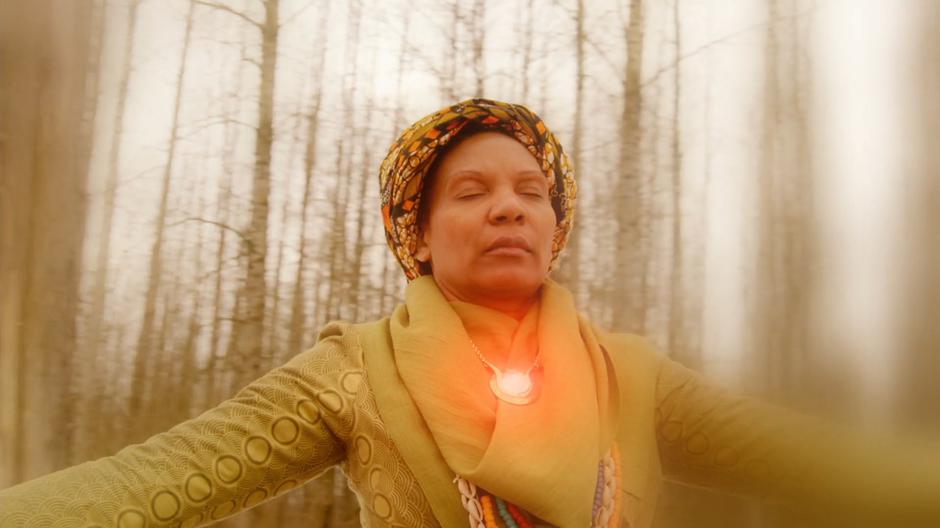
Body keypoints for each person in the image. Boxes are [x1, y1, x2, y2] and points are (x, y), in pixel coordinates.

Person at [1, 98, 939, 528]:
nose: (507, 207)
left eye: (532, 192)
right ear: (415, 233)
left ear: (557, 229)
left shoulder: (633, 375)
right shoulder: (353, 370)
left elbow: (814, 461)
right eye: (471, 192)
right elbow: (158, 482)